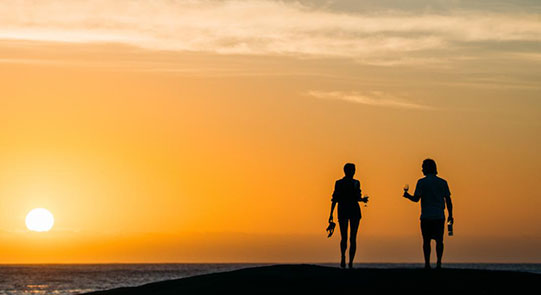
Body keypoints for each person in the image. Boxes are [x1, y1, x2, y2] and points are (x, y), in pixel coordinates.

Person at [403, 159, 453, 269]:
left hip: (426, 216)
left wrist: (407, 196)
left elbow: (416, 199)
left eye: (423, 167)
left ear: (427, 168)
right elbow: (448, 200)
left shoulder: (421, 182)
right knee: (439, 241)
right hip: (439, 216)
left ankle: (427, 264)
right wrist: (450, 215)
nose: (422, 169)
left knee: (426, 241)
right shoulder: (443, 182)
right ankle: (439, 263)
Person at [328, 163, 369, 269]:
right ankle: (347, 260)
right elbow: (337, 198)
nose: (353, 172)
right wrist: (331, 214)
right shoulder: (354, 183)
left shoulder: (342, 183)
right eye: (352, 170)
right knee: (350, 238)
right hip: (350, 210)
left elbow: (335, 198)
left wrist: (331, 214)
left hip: (345, 210)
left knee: (347, 237)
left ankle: (347, 260)